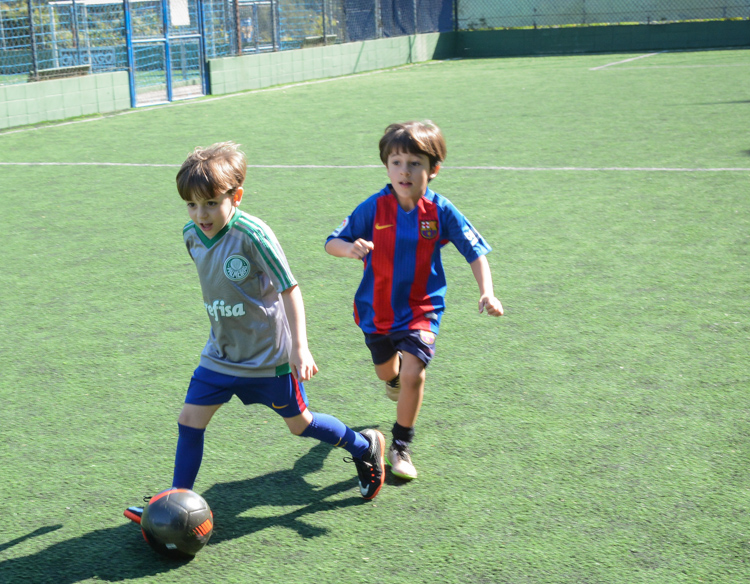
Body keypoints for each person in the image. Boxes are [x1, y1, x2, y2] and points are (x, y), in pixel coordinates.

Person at [128, 141, 386, 523]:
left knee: (301, 425)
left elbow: (289, 288)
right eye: (192, 204)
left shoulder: (254, 235)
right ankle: (175, 504)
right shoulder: (191, 234)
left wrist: (300, 348)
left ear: (236, 196)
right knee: (189, 421)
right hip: (220, 354)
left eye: (211, 202)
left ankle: (364, 447)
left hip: (268, 359)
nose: (201, 214)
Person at [324, 121, 504, 481]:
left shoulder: (441, 210)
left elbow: (474, 251)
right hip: (376, 309)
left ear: (433, 169)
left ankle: (400, 445)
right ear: (387, 167)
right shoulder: (374, 207)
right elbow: (332, 242)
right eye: (396, 163)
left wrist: (487, 290)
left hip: (422, 308)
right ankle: (392, 380)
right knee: (387, 373)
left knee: (414, 373)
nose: (404, 171)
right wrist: (349, 248)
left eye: (415, 163)